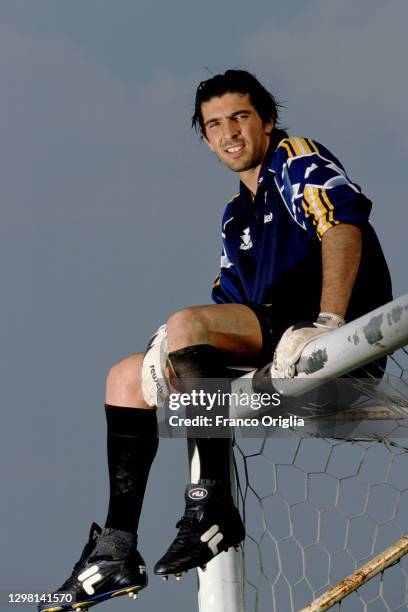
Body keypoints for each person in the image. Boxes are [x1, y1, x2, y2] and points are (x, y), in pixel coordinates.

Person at [39, 69, 392, 611]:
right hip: (275, 349)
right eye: (214, 125)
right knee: (127, 376)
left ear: (267, 121)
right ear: (205, 139)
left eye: (240, 117)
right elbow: (226, 312)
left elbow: (343, 226)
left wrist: (330, 321)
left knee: (186, 325)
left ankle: (210, 506)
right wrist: (168, 355)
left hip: (332, 343)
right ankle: (115, 549)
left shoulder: (296, 157)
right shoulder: (235, 216)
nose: (229, 132)